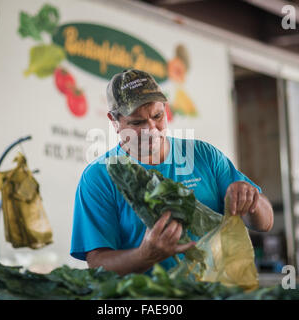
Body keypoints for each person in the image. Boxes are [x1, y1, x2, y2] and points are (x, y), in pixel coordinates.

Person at [70, 69, 274, 276]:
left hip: (217, 292)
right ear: (114, 122)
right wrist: (144, 255)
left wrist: (252, 202)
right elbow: (97, 263)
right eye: (137, 122)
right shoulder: (99, 177)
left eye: (157, 116)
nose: (152, 128)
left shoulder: (204, 156)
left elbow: (266, 223)